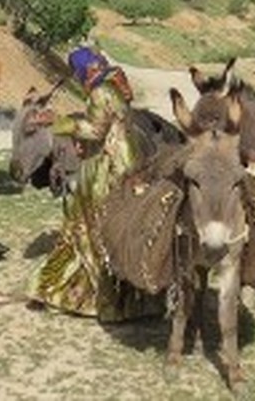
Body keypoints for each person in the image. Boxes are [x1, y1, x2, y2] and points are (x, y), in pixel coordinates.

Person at [27, 46, 162, 322]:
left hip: (109, 170)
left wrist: (59, 122)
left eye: (77, 73)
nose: (78, 79)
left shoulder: (100, 92)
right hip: (130, 163)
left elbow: (96, 129)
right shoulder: (115, 85)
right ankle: (131, 304)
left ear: (82, 71)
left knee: (83, 230)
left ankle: (65, 293)